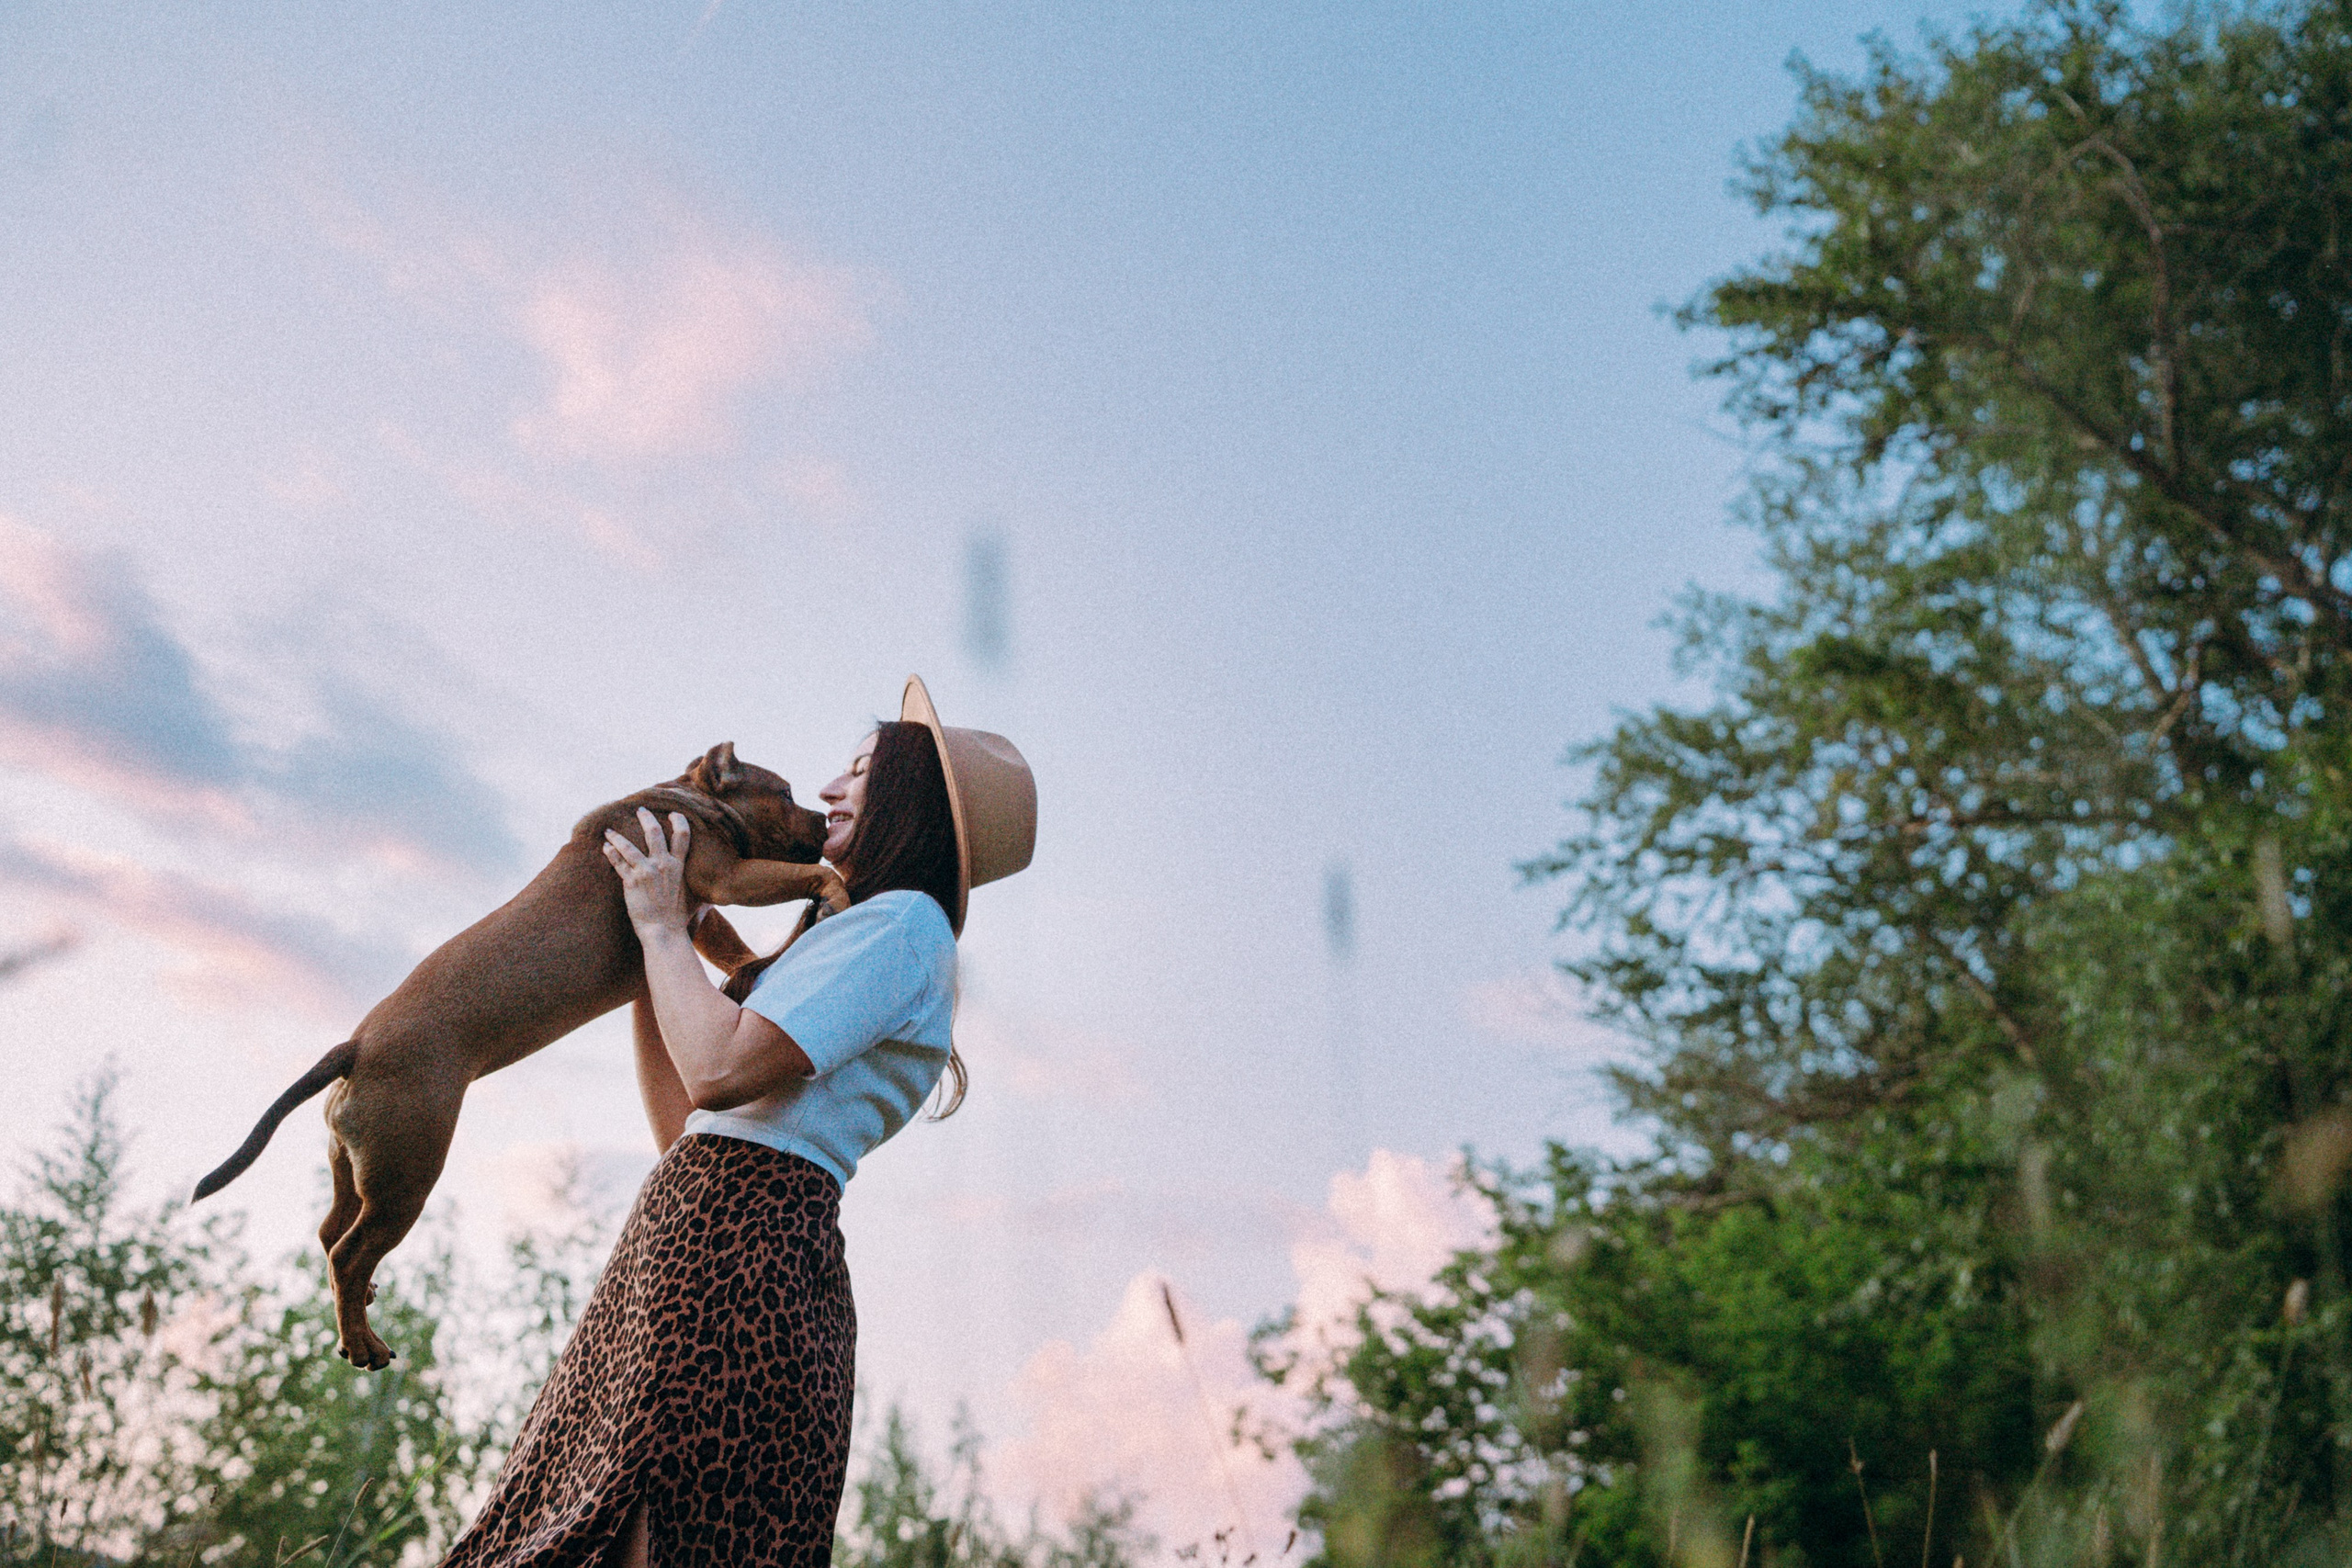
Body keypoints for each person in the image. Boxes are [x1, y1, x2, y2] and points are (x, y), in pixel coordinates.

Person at [440, 676, 1035, 1568]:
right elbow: (689, 1116)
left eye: (859, 771)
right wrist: (660, 944)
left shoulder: (904, 926)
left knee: (648, 1521)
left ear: (908, 801)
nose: (831, 790)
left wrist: (663, 931)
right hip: (697, 1230)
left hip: (741, 1251)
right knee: (598, 1516)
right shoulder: (849, 935)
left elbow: (718, 1071)